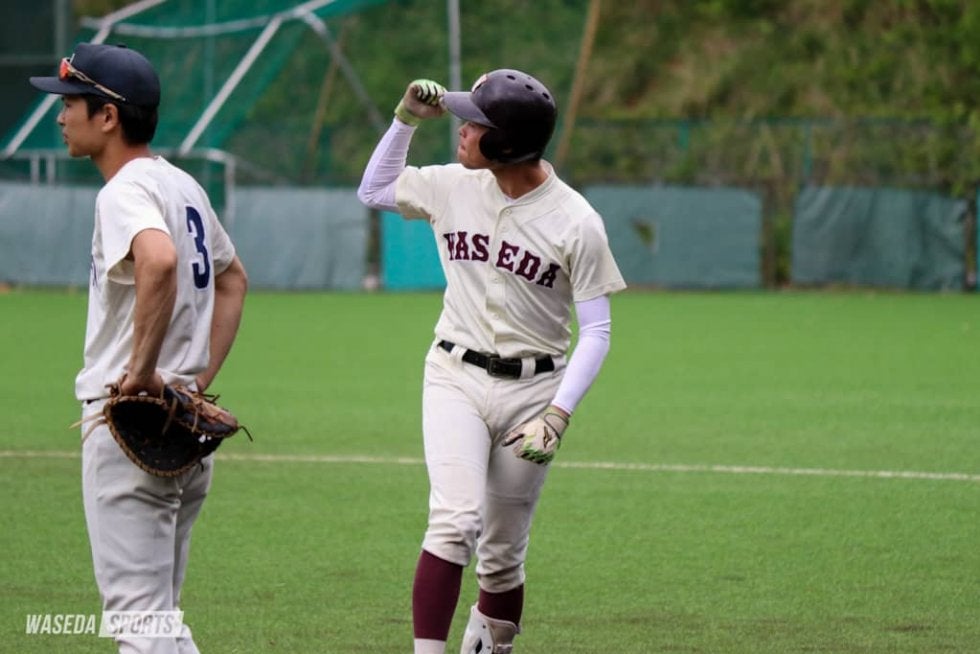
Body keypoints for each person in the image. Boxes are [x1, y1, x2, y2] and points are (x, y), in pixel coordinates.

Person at [357, 69, 627, 654]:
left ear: (505, 143)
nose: (460, 128)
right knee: (454, 522)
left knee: (502, 557)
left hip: (535, 393)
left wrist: (558, 414)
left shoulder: (576, 221)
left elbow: (598, 332)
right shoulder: (453, 185)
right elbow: (374, 190)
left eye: (474, 123)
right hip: (454, 376)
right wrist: (404, 121)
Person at [30, 43, 248, 654]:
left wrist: (141, 372)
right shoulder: (181, 184)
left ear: (108, 116)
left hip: (131, 427)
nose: (60, 115)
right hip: (181, 423)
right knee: (160, 621)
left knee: (139, 625)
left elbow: (159, 260)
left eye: (70, 102)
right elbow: (234, 280)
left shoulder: (122, 191)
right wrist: (194, 383)